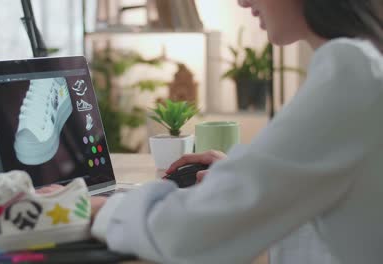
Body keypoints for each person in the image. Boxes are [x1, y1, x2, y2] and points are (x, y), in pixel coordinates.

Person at [80, 0, 383, 263]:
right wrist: (246, 181)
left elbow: (190, 236)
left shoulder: (352, 73)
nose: (241, 2)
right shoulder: (367, 65)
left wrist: (102, 210)